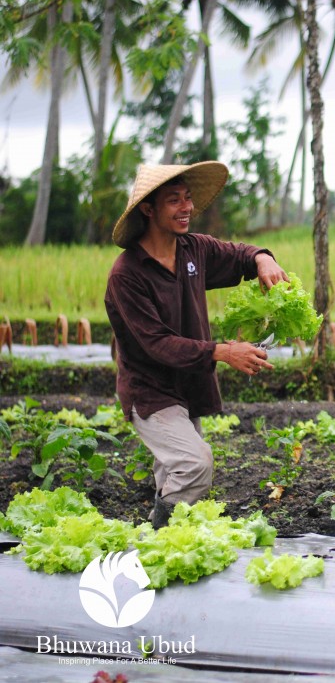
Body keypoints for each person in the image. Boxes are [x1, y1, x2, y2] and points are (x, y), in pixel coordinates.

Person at [104, 161, 289, 528]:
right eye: (174, 200)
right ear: (148, 208)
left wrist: (262, 258)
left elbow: (239, 255)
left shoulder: (193, 250)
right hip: (151, 392)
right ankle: (160, 535)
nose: (186, 207)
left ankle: (165, 555)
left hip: (188, 386)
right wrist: (222, 351)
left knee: (174, 472)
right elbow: (158, 344)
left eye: (188, 198)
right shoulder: (127, 275)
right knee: (194, 464)